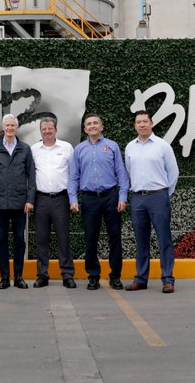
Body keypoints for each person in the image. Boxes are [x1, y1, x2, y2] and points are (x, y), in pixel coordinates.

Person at [68, 113, 129, 290]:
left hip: (111, 197)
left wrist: (123, 197)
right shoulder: (79, 149)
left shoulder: (112, 146)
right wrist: (73, 199)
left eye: (96, 123)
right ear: (85, 129)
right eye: (89, 124)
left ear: (101, 127)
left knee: (115, 237)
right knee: (90, 239)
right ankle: (93, 276)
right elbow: (73, 177)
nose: (92, 126)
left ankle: (115, 276)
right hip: (89, 199)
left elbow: (122, 173)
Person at [124, 110, 180, 294]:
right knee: (141, 240)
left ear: (151, 123)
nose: (142, 124)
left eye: (145, 121)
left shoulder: (162, 146)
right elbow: (129, 170)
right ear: (134, 125)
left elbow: (173, 173)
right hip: (138, 198)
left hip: (158, 197)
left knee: (164, 239)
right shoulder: (130, 147)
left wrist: (164, 194)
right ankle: (141, 279)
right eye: (138, 122)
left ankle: (167, 279)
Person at [0, 112, 35, 289]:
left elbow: (31, 177)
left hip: (20, 204)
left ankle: (19, 277)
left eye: (13, 125)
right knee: (1, 240)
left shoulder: (25, 149)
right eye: (7, 125)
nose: (10, 128)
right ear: (2, 128)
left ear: (17, 128)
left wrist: (30, 200)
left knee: (20, 241)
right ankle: (4, 277)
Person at [31, 116, 76, 288]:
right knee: (41, 239)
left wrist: (73, 199)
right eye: (44, 129)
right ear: (40, 131)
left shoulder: (66, 148)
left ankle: (67, 274)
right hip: (40, 199)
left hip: (61, 199)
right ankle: (42, 275)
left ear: (56, 130)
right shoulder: (34, 149)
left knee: (63, 238)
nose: (47, 131)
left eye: (50, 128)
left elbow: (73, 175)